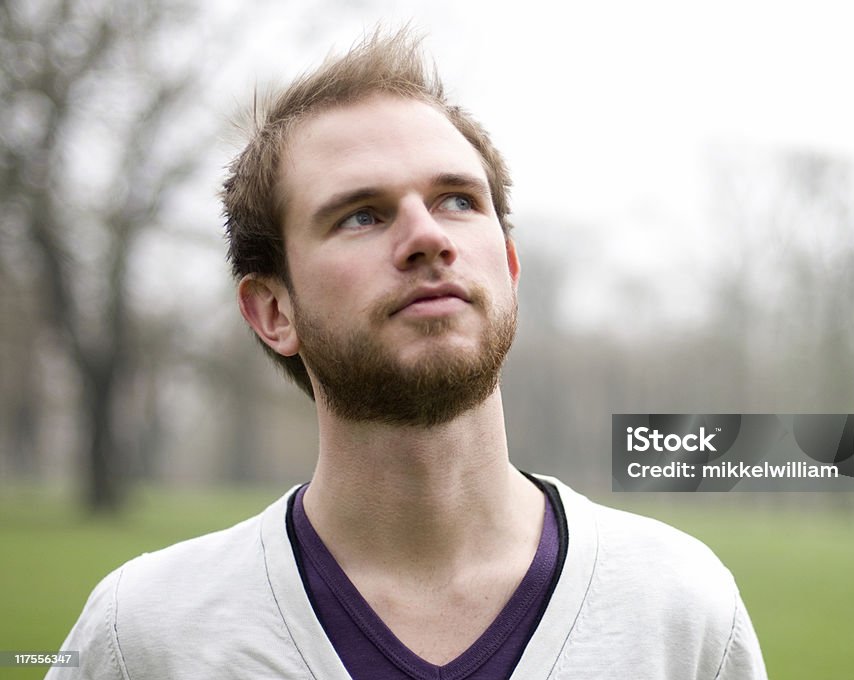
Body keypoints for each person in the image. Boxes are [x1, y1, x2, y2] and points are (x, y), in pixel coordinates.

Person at [49, 30, 768, 679]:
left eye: (457, 200)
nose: (429, 236)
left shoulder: (679, 612)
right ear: (273, 310)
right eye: (361, 214)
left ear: (510, 269)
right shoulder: (143, 637)